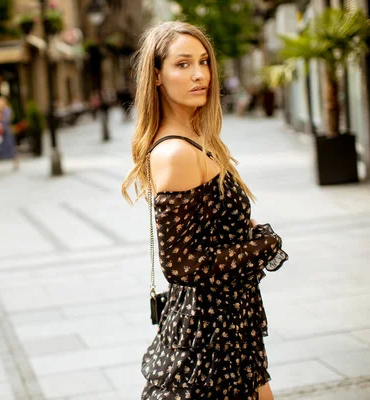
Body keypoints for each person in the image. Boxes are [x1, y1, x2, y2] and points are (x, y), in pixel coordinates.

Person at [121, 22, 288, 400]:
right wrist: (262, 247)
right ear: (158, 76)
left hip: (229, 324)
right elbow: (181, 265)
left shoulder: (199, 139)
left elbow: (215, 223)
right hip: (208, 339)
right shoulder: (176, 152)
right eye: (182, 64)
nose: (200, 75)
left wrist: (252, 233)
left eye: (203, 62)